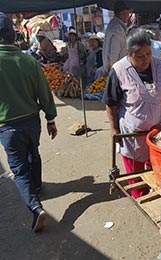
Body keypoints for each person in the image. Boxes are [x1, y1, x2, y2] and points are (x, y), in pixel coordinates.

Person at [102, 29, 161, 198]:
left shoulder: (160, 65)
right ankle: (140, 201)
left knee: (158, 174)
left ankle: (155, 200)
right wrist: (114, 131)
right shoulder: (119, 70)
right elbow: (111, 103)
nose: (146, 60)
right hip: (131, 136)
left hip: (156, 134)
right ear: (130, 54)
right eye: (140, 56)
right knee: (136, 181)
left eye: (148, 54)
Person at [0, 13, 57, 232]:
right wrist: (51, 118)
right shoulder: (28, 60)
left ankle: (35, 207)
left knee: (19, 169)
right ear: (13, 36)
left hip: (8, 126)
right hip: (32, 122)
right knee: (35, 152)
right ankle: (38, 186)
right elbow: (44, 92)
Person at [102, 0, 133, 76]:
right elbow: (114, 54)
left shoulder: (115, 25)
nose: (128, 16)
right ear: (121, 14)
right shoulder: (116, 29)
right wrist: (115, 73)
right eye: (127, 13)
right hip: (117, 71)